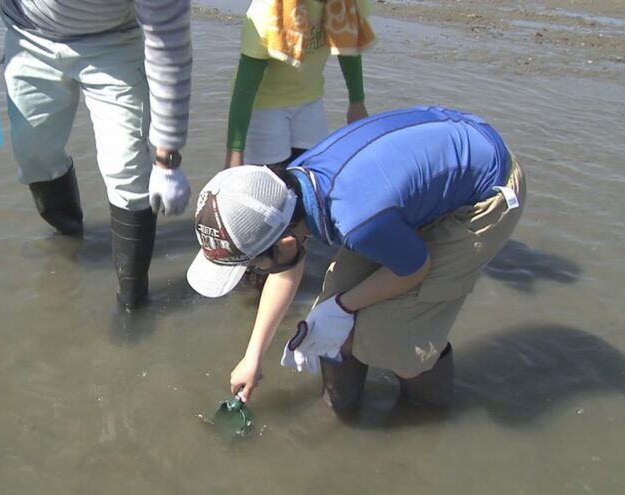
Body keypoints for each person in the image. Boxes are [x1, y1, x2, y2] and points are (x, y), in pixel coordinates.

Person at [187, 106, 526, 418]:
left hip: (489, 192)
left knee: (396, 337)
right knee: (331, 310)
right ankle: (337, 408)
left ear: (285, 241)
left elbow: (414, 268)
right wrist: (253, 356)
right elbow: (285, 266)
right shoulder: (288, 191)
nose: (254, 273)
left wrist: (344, 307)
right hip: (430, 173)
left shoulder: (356, 221)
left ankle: (427, 414)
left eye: (251, 266)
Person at [0, 0, 193, 309]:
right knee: (33, 154)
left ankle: (133, 300)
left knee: (126, 169)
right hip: (29, 37)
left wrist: (167, 158)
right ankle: (69, 234)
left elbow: (169, 47)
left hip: (113, 42)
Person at [225, 0, 374, 169]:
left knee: (314, 173)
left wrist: (357, 102)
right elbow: (245, 88)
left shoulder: (344, 4)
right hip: (265, 106)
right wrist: (234, 153)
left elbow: (347, 45)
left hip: (310, 100)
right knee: (271, 181)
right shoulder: (268, 9)